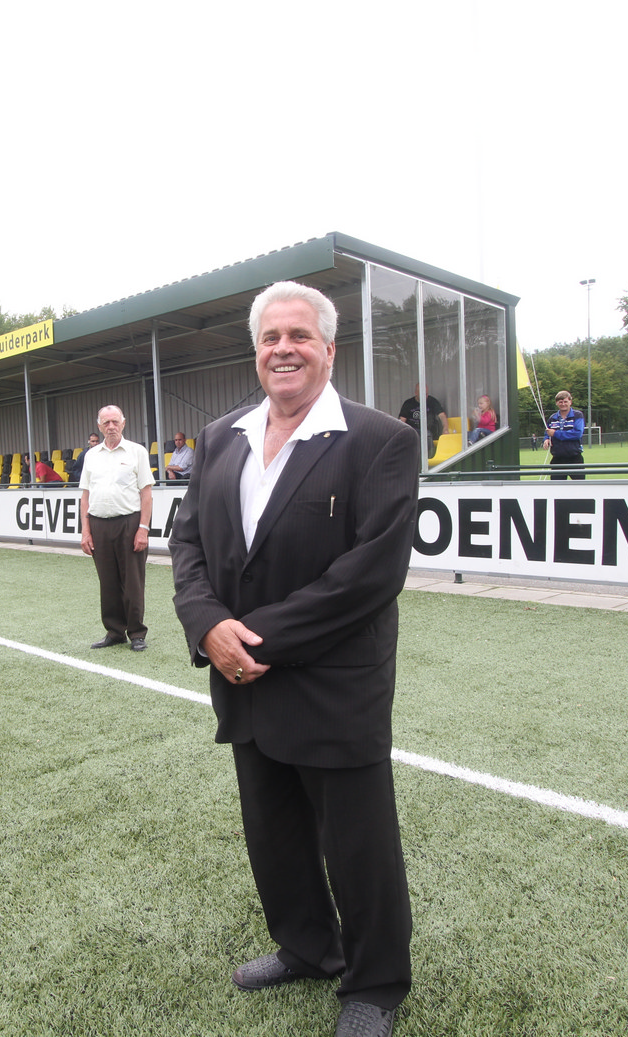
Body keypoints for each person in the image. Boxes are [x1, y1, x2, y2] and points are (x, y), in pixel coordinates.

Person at [169, 281, 418, 1037]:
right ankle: (308, 947)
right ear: (256, 351)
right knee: (272, 830)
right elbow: (187, 544)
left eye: (299, 335)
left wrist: (249, 640)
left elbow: (369, 575)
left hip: (333, 684)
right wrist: (206, 625)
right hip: (242, 679)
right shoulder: (220, 437)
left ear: (328, 350)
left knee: (358, 844)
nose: (284, 348)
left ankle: (375, 983)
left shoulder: (379, 440)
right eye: (271, 337)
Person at [78, 405, 153, 652]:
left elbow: (146, 494)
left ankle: (137, 633)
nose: (111, 426)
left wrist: (143, 529)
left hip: (129, 524)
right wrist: (86, 531)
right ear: (99, 426)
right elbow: (85, 497)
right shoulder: (91, 456)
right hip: (99, 524)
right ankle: (114, 632)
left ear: (123, 423)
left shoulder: (137, 452)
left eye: (115, 422)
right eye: (106, 422)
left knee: (133, 582)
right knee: (108, 582)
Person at [543, 390, 585, 480]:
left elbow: (577, 433)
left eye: (565, 401)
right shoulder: (552, 418)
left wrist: (555, 433)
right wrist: (546, 439)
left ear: (570, 402)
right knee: (556, 486)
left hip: (574, 457)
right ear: (556, 403)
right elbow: (548, 431)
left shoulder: (577, 415)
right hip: (557, 458)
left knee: (580, 486)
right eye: (560, 402)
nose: (563, 404)